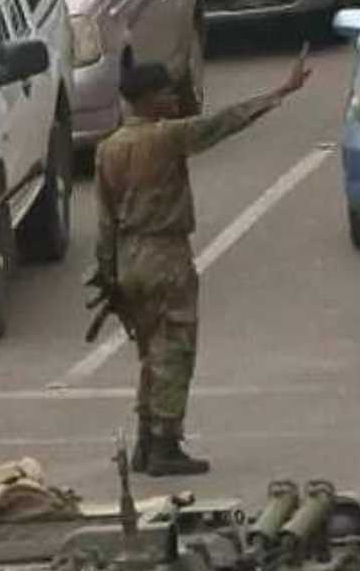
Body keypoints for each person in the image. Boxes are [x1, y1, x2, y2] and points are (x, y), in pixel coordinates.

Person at [93, 50, 311, 477]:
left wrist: (109, 275)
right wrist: (280, 92)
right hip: (165, 254)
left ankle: (145, 440)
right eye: (167, 94)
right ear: (149, 99)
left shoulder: (107, 149)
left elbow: (104, 220)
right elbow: (225, 123)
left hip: (128, 256)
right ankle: (165, 445)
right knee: (174, 349)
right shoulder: (166, 136)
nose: (175, 100)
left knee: (149, 353)